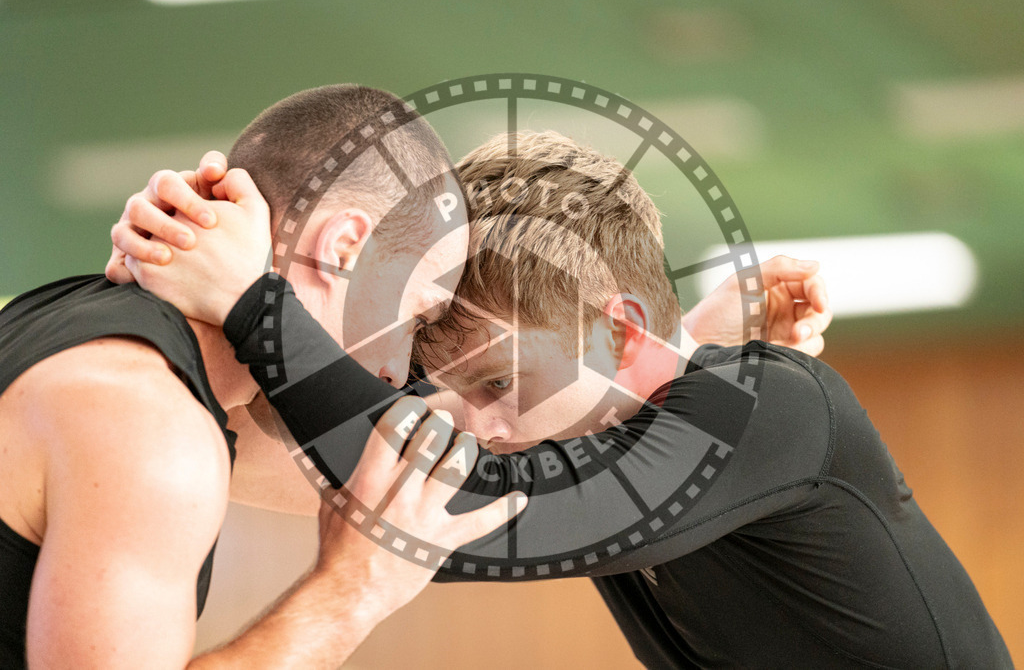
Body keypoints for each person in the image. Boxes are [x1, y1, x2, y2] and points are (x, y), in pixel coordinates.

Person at [123, 129, 1011, 668]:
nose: (480, 427)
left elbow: (452, 512)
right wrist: (149, 373)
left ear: (621, 330)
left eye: (500, 383)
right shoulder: (652, 424)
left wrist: (250, 302)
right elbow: (358, 475)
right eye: (458, 392)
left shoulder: (774, 407)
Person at [0, 84, 524, 668]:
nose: (394, 371)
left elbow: (386, 475)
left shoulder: (69, 323)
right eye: (416, 315)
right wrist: (353, 591)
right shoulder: (152, 425)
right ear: (345, 249)